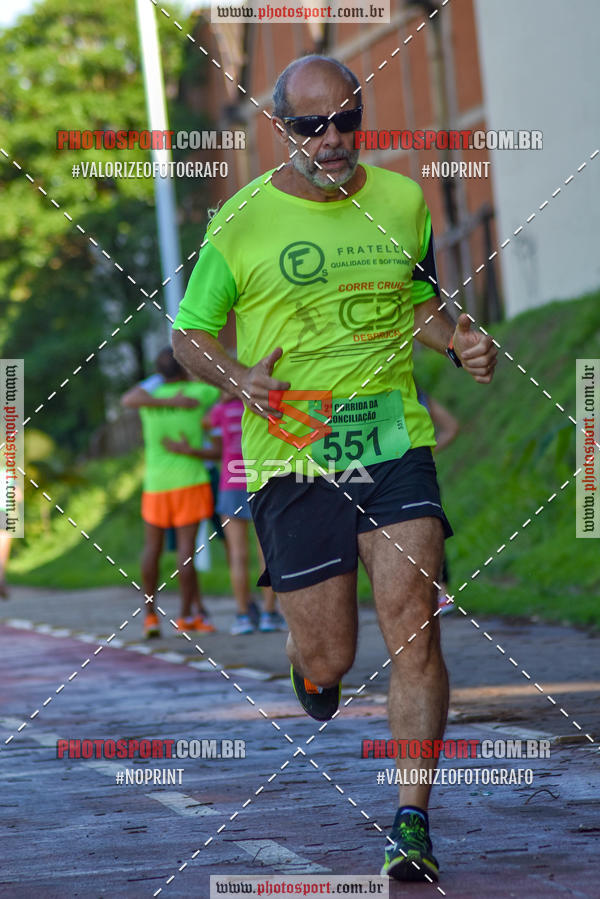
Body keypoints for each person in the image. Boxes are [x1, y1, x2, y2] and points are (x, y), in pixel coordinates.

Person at [171, 56, 497, 882]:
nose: (334, 139)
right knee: (332, 658)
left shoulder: (400, 200)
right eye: (313, 126)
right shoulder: (240, 220)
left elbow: (417, 304)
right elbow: (189, 334)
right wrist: (239, 377)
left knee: (414, 623)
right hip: (292, 462)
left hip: (393, 443)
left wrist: (455, 340)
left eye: (347, 120)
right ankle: (307, 665)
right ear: (280, 130)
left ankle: (412, 820)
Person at [126, 347, 219, 638]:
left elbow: (128, 397)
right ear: (184, 368)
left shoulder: (147, 400)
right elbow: (223, 388)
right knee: (185, 552)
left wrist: (165, 395)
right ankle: (185, 617)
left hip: (155, 486)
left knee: (151, 550)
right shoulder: (197, 394)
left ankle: (150, 617)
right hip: (190, 481)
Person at [208, 389, 286, 635]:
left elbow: (211, 435)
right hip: (260, 480)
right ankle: (268, 614)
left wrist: (220, 400)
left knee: (237, 556)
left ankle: (242, 615)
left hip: (230, 484)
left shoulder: (220, 411)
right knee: (266, 553)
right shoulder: (259, 406)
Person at [416, 388, 460, 614]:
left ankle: (437, 594)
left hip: (390, 474)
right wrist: (425, 451)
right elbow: (451, 428)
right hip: (421, 473)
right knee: (431, 530)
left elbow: (452, 428)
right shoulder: (419, 393)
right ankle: (442, 593)